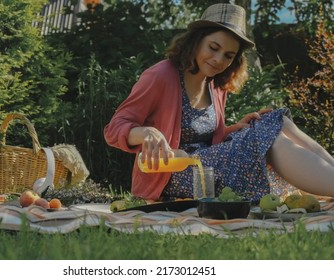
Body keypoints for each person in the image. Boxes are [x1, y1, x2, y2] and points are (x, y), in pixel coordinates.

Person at [103, 3, 334, 204]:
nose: (218, 60)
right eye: (213, 48)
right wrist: (146, 133)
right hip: (174, 173)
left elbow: (209, 138)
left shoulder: (214, 85)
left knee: (275, 120)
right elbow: (114, 129)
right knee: (270, 137)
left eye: (228, 55)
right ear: (196, 42)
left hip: (208, 163)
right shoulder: (161, 75)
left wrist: (233, 129)